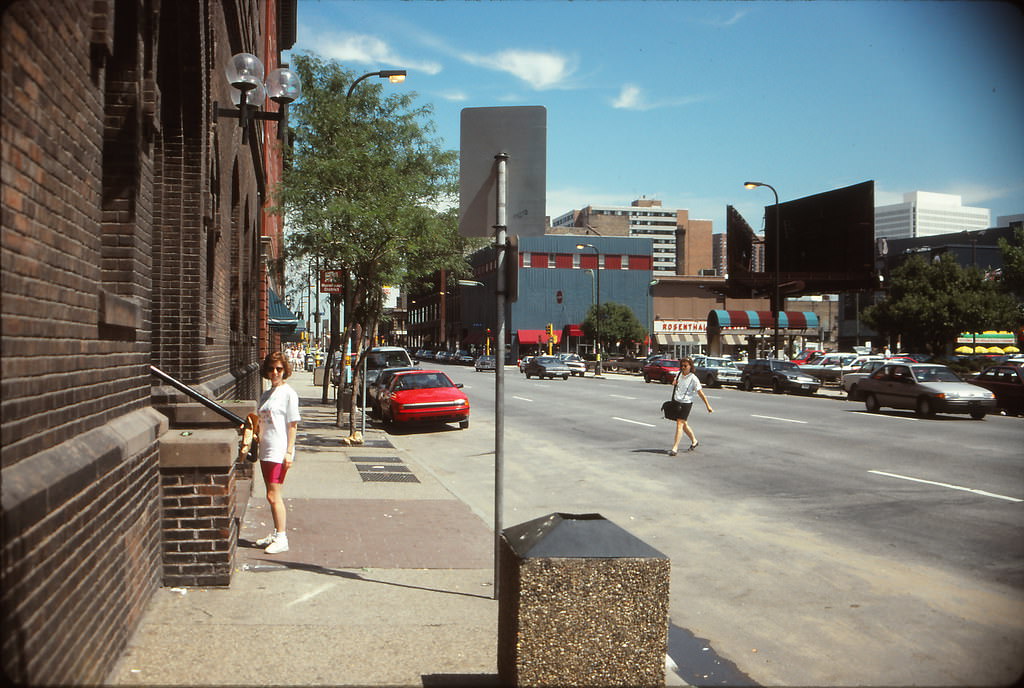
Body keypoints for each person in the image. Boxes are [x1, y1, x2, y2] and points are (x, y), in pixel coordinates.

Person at [253, 351, 301, 554]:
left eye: (279, 369)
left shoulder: (288, 393)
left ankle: (282, 538)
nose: (275, 373)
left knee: (274, 496)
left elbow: (293, 425)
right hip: (265, 449)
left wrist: (289, 452)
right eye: (272, 369)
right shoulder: (266, 394)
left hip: (278, 450)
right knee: (270, 494)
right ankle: (276, 532)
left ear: (285, 370)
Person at [668, 357, 713, 456]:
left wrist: (708, 406)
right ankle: (694, 441)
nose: (683, 368)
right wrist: (674, 383)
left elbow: (701, 393)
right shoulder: (679, 374)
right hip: (677, 401)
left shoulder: (693, 378)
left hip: (686, 403)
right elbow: (675, 384)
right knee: (684, 425)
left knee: (680, 423)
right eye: (682, 366)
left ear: (690, 366)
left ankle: (675, 448)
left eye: (685, 366)